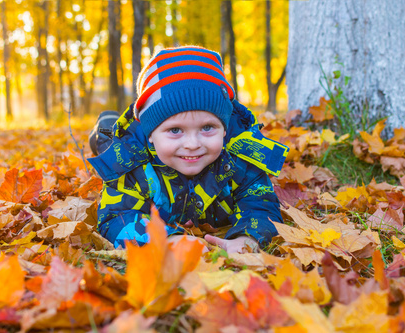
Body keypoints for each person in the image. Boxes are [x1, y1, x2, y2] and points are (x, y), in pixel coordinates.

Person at [87, 46, 289, 254]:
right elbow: (115, 216)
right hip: (127, 141)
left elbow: (261, 203)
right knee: (107, 140)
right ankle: (106, 121)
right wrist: (165, 242)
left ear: (224, 128)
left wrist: (248, 239)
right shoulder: (132, 163)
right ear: (151, 134)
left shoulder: (241, 156)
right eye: (175, 130)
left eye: (207, 128)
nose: (192, 144)